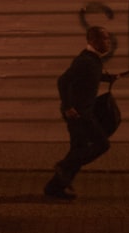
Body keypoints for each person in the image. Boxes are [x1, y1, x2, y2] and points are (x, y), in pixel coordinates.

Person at [44, 25, 118, 200]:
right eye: (105, 39)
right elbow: (63, 81)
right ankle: (63, 166)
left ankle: (54, 188)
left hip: (83, 111)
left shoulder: (93, 60)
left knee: (79, 149)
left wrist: (109, 77)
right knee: (102, 144)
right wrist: (68, 106)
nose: (108, 42)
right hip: (78, 113)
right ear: (93, 41)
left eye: (108, 38)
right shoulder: (84, 60)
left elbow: (90, 76)